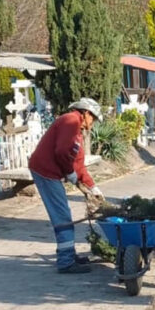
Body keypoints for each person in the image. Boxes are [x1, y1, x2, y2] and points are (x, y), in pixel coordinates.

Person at [29, 98, 105, 274]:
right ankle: (65, 261)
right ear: (86, 113)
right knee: (62, 216)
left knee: (64, 214)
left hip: (50, 172)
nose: (92, 123)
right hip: (45, 171)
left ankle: (68, 254)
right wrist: (69, 172)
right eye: (93, 118)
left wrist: (92, 187)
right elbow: (62, 152)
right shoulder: (70, 121)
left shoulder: (76, 130)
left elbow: (78, 164)